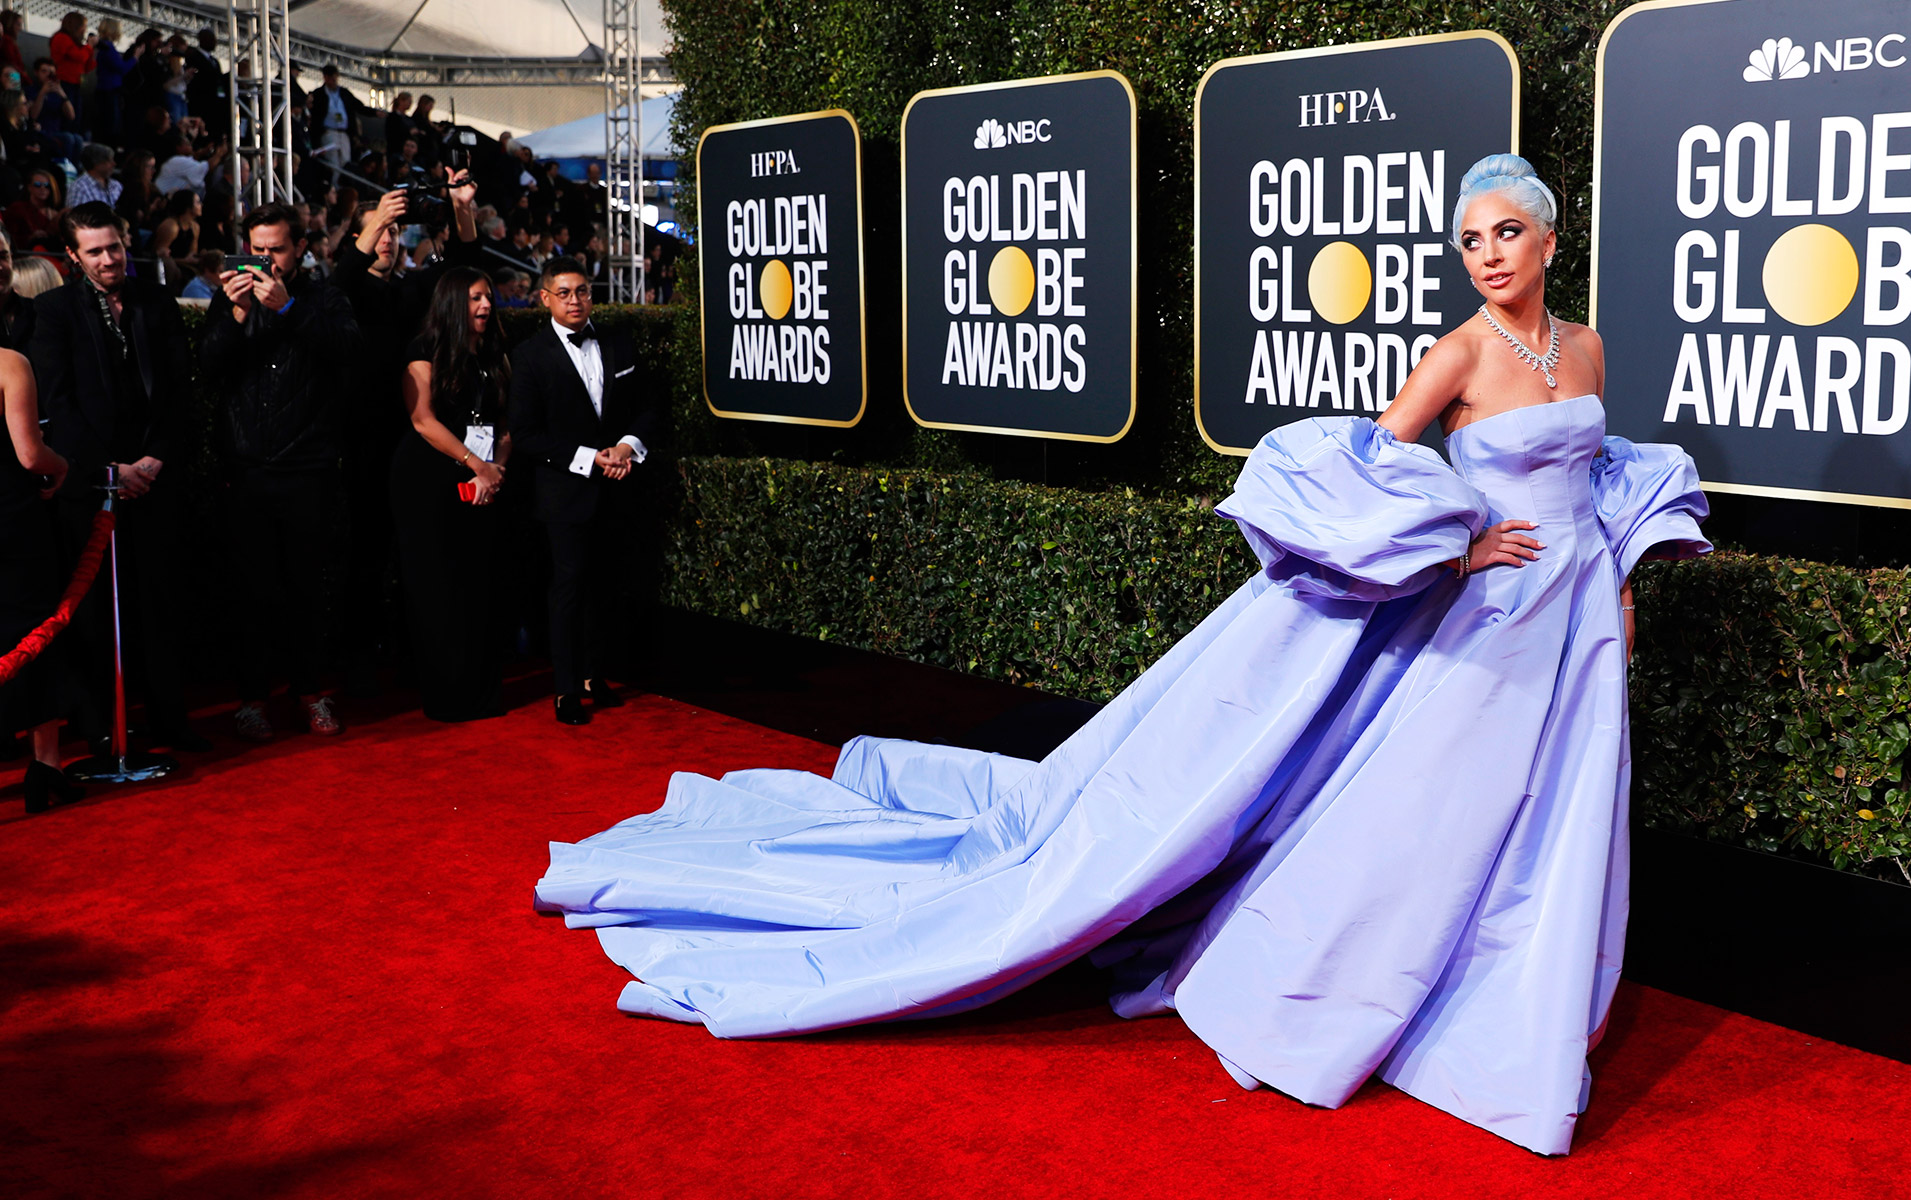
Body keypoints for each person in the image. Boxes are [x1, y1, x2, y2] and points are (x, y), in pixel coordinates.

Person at [533, 156, 1713, 1157]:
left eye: (1504, 233)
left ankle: (1523, 995)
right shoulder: (1453, 356)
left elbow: (1595, 471)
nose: (1486, 254)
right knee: (1441, 811)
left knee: (1557, 812)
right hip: (1492, 617)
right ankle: (1375, 995)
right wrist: (1456, 550)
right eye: (1467, 239)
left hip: (1572, 621)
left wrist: (1614, 576)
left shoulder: (1586, 347)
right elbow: (1364, 466)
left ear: (1547, 239)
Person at [31, 202, 204, 754]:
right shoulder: (53, 311)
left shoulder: (156, 300)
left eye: (115, 247)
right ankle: (105, 729)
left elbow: (179, 390)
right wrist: (109, 471)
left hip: (154, 481)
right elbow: (57, 404)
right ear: (73, 256)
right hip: (91, 489)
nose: (109, 259)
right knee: (97, 613)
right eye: (96, 251)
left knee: (162, 603)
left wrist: (153, 460)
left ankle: (170, 720)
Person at [197, 202, 361, 741]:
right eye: (256, 249)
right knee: (251, 591)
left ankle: (311, 692)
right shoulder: (229, 301)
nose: (265, 260)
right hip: (245, 470)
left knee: (308, 588)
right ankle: (253, 700)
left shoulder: (325, 297)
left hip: (307, 469)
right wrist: (238, 315)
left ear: (301, 249)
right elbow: (206, 367)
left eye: (277, 250)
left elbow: (347, 351)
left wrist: (288, 309)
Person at [330, 171, 486, 694]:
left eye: (395, 231)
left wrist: (462, 206)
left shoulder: (412, 289)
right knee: (366, 553)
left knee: (421, 553)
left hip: (421, 440)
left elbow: (464, 266)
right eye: (379, 230)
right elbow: (340, 282)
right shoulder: (342, 292)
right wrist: (376, 218)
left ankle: (416, 655)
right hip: (363, 440)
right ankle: (358, 662)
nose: (388, 239)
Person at [508, 256, 654, 725]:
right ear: (545, 298)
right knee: (568, 590)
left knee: (605, 586)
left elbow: (648, 407)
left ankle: (594, 675)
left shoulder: (618, 341)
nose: (576, 301)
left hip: (617, 488)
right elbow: (525, 434)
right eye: (565, 293)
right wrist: (590, 458)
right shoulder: (529, 355)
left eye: (583, 291)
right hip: (564, 494)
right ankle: (566, 689)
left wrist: (627, 447)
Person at [389, 268, 511, 721]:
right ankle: (445, 695)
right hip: (427, 480)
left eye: (488, 297)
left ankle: (482, 692)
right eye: (475, 298)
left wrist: (495, 471)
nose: (486, 305)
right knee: (437, 588)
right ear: (453, 302)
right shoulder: (423, 350)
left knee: (480, 583)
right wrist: (476, 464)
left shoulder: (496, 353)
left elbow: (506, 424)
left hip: (483, 480)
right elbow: (423, 420)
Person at [1, 330, 81, 812]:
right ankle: (46, 765)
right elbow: (31, 455)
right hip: (11, 521)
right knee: (34, 633)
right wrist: (63, 465)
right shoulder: (9, 363)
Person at [305, 63, 362, 181]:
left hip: (344, 133)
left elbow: (358, 106)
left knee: (346, 162)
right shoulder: (319, 94)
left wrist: (374, 112)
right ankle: (334, 186)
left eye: (335, 77)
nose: (334, 80)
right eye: (331, 77)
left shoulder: (344, 93)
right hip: (328, 132)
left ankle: (344, 186)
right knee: (333, 162)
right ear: (325, 77)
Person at [46, 12, 89, 134]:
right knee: (68, 115)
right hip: (65, 81)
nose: (85, 30)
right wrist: (89, 47)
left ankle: (73, 136)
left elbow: (86, 62)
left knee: (76, 114)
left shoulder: (71, 40)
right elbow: (79, 56)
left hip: (74, 83)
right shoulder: (62, 38)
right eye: (83, 26)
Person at [151, 188, 199, 285]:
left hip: (184, 265)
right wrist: (185, 261)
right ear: (188, 207)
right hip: (169, 267)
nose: (201, 205)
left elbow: (192, 253)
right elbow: (158, 256)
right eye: (197, 202)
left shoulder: (195, 227)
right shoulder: (171, 226)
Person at [68, 142, 120, 208]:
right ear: (97, 163)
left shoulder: (116, 185)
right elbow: (77, 214)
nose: (114, 164)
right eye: (109, 161)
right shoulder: (79, 188)